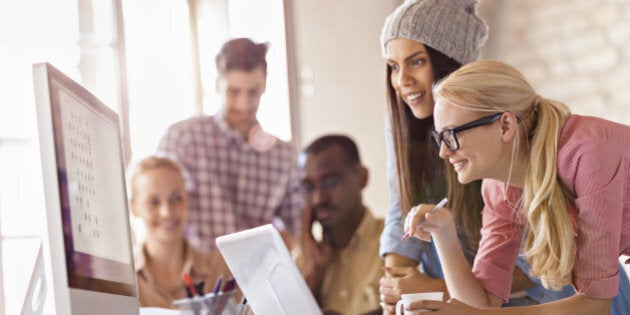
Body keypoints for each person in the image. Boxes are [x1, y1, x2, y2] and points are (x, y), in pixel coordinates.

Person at [377, 0, 595, 313]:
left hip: (554, 299)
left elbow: (547, 262)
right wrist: (396, 282)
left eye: (416, 62)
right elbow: (404, 210)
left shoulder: (498, 128)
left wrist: (437, 288)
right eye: (393, 66)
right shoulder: (401, 127)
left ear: (449, 63)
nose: (402, 81)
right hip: (476, 296)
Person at [403, 60, 630, 314]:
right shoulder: (500, 186)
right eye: (439, 138)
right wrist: (443, 232)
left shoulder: (588, 154)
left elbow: (595, 305)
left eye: (452, 135)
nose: (444, 152)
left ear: (505, 126)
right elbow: (481, 303)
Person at [157, 38, 302, 251]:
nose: (244, 104)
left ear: (265, 85)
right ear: (217, 85)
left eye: (253, 92)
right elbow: (160, 210)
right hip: (193, 276)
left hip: (254, 279)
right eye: (233, 92)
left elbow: (296, 233)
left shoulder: (284, 156)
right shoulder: (184, 138)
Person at [295, 135, 384, 315]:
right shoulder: (302, 260)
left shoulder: (396, 242)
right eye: (308, 187)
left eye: (330, 182)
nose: (319, 198)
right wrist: (313, 277)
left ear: (362, 177)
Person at [127, 156, 231, 308]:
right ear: (134, 208)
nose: (166, 212)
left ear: (187, 200)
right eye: (153, 202)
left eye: (176, 199)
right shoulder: (123, 281)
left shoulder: (222, 269)